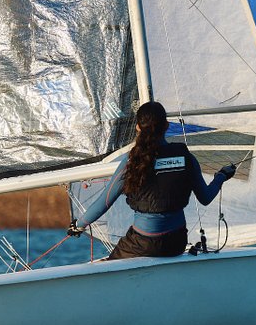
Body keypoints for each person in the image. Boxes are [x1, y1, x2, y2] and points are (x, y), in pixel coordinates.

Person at [68, 101, 236, 259]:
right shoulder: (186, 157)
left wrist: (79, 225)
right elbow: (205, 198)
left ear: (137, 127)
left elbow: (104, 201)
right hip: (176, 243)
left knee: (109, 267)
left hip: (142, 244)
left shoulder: (132, 161)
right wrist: (221, 176)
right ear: (166, 126)